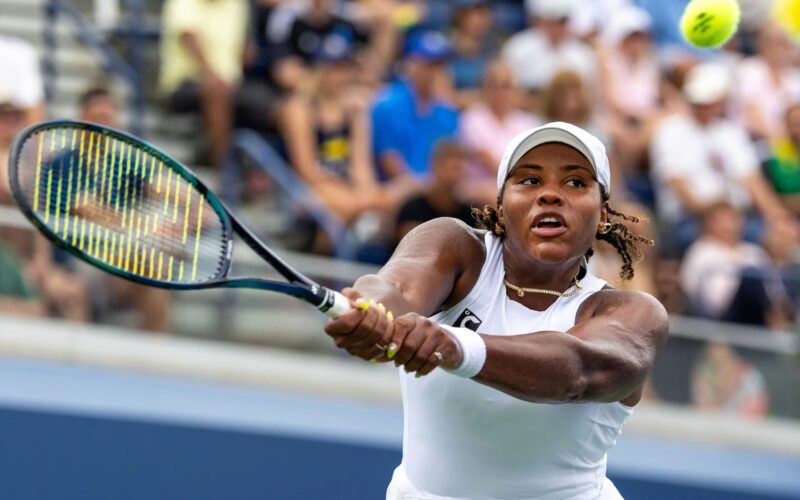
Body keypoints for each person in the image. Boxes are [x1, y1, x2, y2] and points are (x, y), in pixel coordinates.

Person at [324, 122, 668, 499]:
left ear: (602, 216)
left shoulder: (635, 313)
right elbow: (394, 288)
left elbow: (578, 369)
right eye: (530, 180)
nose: (550, 195)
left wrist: (457, 346)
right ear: (501, 208)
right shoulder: (455, 247)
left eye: (575, 182)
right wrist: (370, 309)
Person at [649, 62, 797, 255]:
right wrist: (716, 216)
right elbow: (677, 183)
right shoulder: (670, 132)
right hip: (691, 219)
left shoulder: (731, 132)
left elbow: (752, 181)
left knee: (780, 236)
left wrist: (778, 218)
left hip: (738, 217)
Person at [76, 86, 173, 332]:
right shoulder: (66, 160)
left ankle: (154, 349)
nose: (104, 124)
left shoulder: (124, 163)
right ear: (81, 117)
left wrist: (195, 211)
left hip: (124, 263)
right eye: (97, 117)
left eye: (108, 117)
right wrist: (146, 229)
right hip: (81, 264)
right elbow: (87, 210)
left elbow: (163, 187)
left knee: (154, 271)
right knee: (151, 263)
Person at [159, 0, 275, 166]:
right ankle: (223, 168)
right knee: (216, 90)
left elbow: (246, 50)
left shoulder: (238, 5)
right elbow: (188, 37)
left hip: (232, 85)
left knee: (285, 108)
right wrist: (214, 74)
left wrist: (248, 50)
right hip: (184, 84)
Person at [370, 30, 459, 184]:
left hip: (438, 188)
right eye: (428, 65)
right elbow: (389, 161)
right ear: (411, 64)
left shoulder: (448, 112)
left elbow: (451, 161)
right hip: (396, 187)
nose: (434, 72)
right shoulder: (387, 105)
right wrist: (425, 188)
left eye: (439, 65)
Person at [459, 60, 541, 204]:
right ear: (485, 88)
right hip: (480, 185)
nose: (499, 92)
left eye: (505, 86)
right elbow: (485, 158)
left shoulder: (527, 122)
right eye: (494, 86)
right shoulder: (473, 117)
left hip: (517, 184)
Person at [394, 140, 475, 243]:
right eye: (451, 168)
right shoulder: (412, 209)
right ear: (435, 167)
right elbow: (410, 246)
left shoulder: (470, 214)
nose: (454, 176)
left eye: (458, 169)